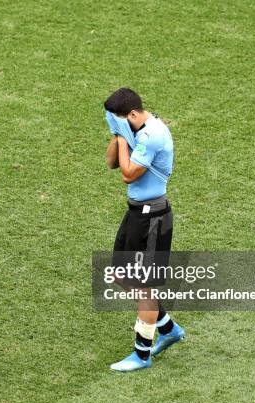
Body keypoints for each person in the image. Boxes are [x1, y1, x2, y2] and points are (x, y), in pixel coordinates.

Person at [104, 87, 185, 372]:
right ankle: (168, 328)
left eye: (118, 119)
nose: (115, 123)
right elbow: (112, 163)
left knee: (144, 287)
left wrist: (124, 139)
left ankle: (142, 355)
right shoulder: (134, 129)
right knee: (118, 273)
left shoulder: (152, 136)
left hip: (154, 218)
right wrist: (118, 134)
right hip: (136, 213)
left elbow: (128, 175)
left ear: (134, 114)